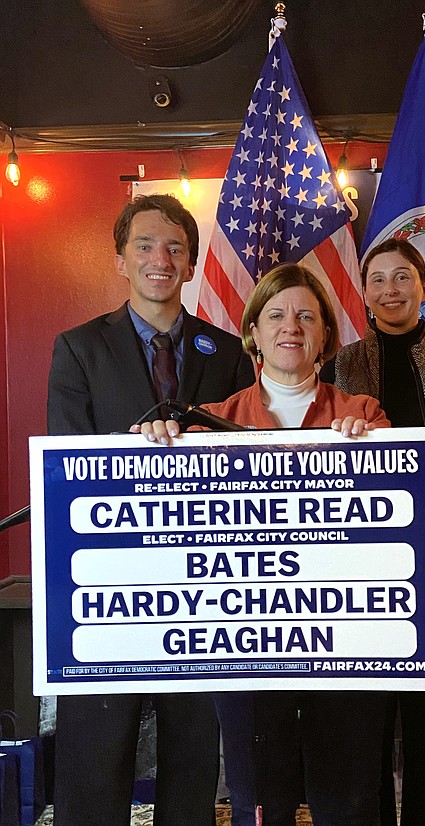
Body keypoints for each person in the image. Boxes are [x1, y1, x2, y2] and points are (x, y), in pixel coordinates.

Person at [136, 262, 390, 826]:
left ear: (327, 332)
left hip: (345, 651)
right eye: (275, 315)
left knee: (346, 799)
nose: (290, 327)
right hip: (250, 654)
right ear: (252, 332)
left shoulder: (364, 416)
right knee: (259, 802)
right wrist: (150, 446)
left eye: (306, 316)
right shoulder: (209, 425)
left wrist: (376, 452)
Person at [47, 193, 255, 826]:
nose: (160, 259)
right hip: (107, 589)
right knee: (96, 755)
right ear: (120, 258)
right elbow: (67, 471)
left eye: (175, 248)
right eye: (145, 245)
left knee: (192, 756)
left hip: (201, 589)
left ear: (191, 264)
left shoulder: (230, 352)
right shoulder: (78, 348)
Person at [321, 238, 425, 826]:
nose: (391, 290)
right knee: (368, 718)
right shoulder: (341, 366)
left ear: (423, 287)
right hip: (360, 562)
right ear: (363, 293)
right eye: (378, 280)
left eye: (402, 278)